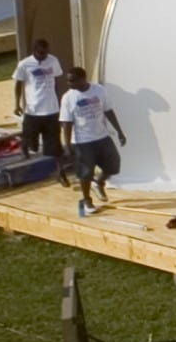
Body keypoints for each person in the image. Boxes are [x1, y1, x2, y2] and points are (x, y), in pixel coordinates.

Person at [58, 67, 126, 212]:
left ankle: (99, 182)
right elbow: (66, 122)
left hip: (102, 136)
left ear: (83, 79)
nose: (69, 83)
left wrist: (119, 131)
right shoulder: (68, 97)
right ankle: (87, 201)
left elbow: (108, 110)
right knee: (85, 172)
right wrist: (67, 144)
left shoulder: (99, 90)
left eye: (72, 81)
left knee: (114, 165)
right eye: (68, 81)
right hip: (82, 141)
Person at [12, 39, 69, 183]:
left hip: (51, 110)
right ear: (34, 51)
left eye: (46, 53)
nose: (44, 56)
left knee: (55, 145)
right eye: (41, 53)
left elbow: (56, 81)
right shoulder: (24, 65)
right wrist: (17, 104)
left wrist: (58, 100)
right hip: (33, 110)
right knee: (30, 140)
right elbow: (18, 84)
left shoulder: (53, 61)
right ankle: (25, 147)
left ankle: (60, 173)